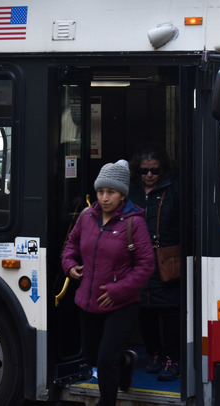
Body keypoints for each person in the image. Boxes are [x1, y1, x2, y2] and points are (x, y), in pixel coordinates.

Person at [61, 159, 155, 406]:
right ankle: (125, 360)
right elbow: (70, 246)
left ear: (122, 195)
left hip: (121, 304)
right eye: (101, 191)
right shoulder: (86, 216)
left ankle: (107, 402)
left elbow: (146, 265)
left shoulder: (134, 223)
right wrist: (69, 266)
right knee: (93, 356)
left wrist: (118, 290)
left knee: (105, 358)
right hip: (87, 301)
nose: (104, 198)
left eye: (110, 192)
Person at [128, 144, 181, 381]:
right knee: (144, 311)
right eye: (144, 171)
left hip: (166, 259)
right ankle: (154, 354)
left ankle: (172, 359)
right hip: (138, 259)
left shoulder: (174, 191)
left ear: (163, 171)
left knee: (170, 313)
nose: (149, 175)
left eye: (154, 171)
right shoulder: (131, 192)